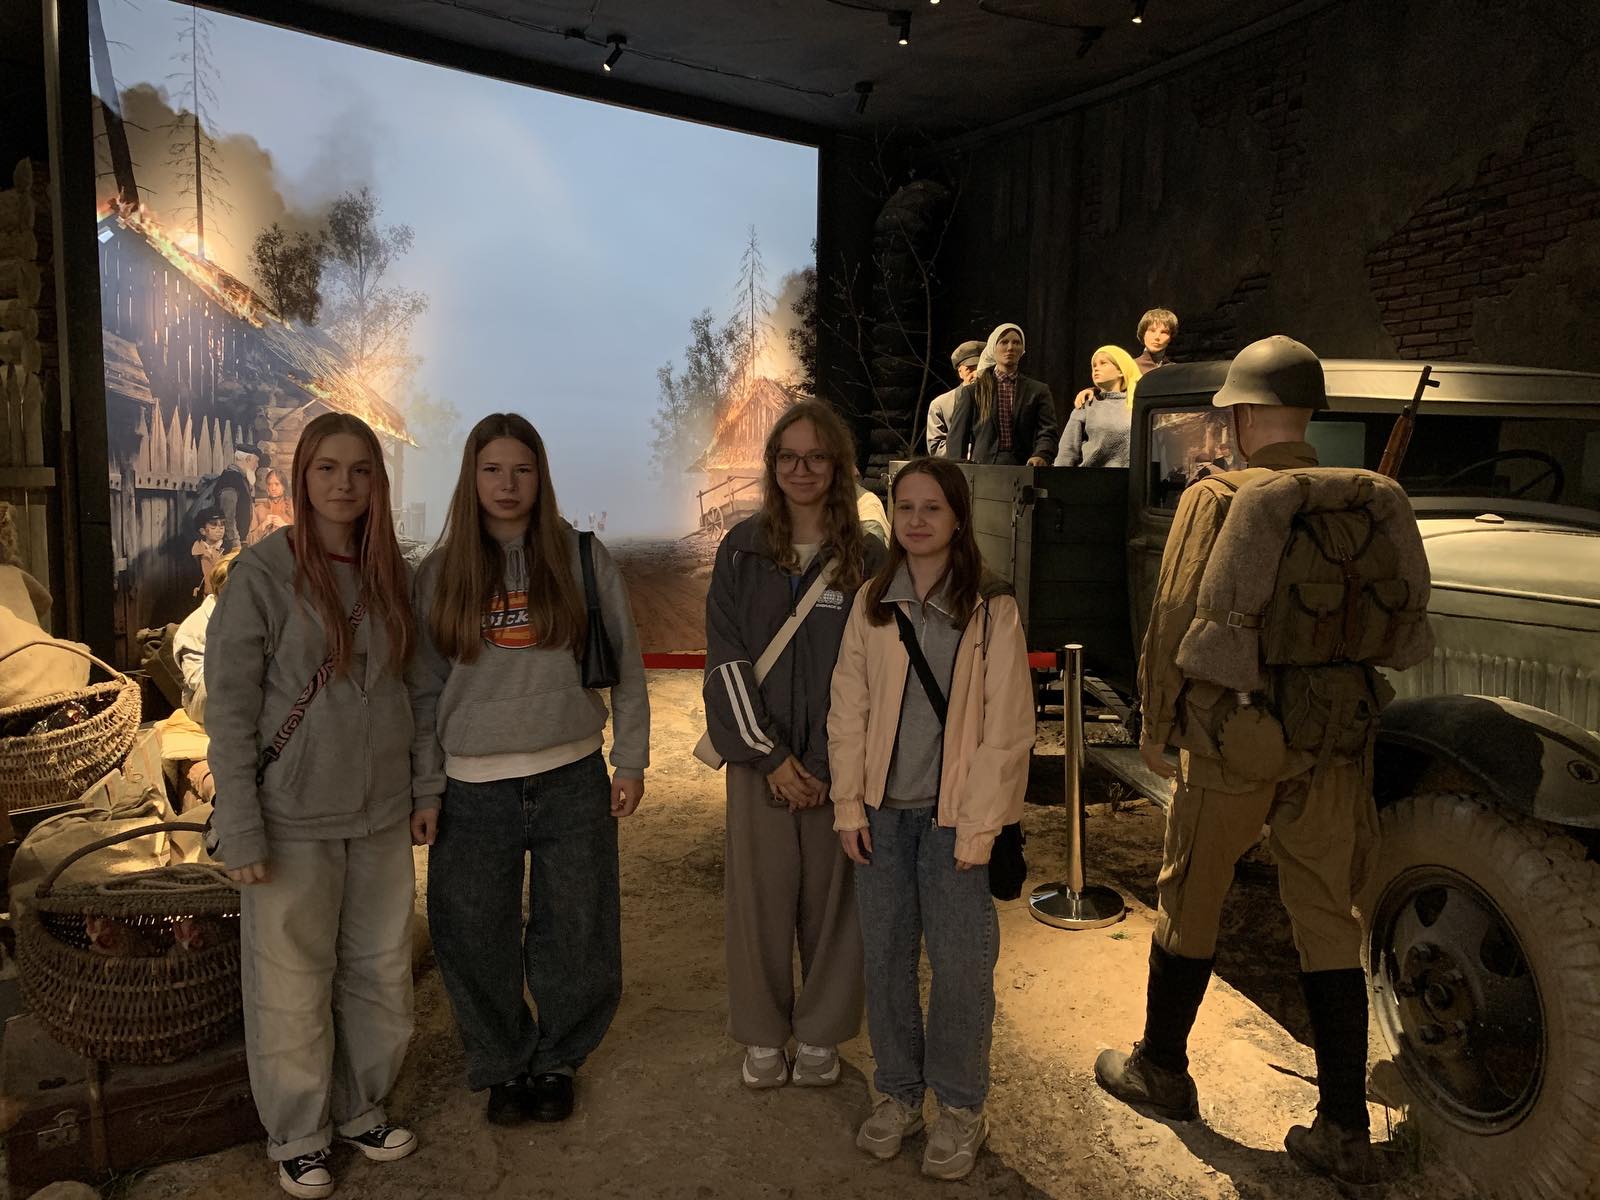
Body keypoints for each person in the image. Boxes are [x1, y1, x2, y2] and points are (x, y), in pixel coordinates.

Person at [1094, 336, 1398, 1189]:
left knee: (1191, 893)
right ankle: (1344, 1128)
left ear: (1238, 415)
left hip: (1233, 737)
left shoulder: (1216, 497)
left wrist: (1157, 723)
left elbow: (1174, 618)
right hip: (1330, 740)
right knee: (1326, 915)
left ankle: (1162, 1067)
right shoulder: (1358, 499)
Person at [410, 414, 648, 1128]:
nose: (507, 484)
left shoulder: (581, 558)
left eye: (522, 470)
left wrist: (630, 759)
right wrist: (427, 787)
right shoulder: (440, 572)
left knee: (576, 928)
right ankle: (502, 1060)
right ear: (472, 477)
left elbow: (627, 665)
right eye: (492, 470)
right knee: (472, 932)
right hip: (471, 787)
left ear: (540, 477)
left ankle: (558, 1059)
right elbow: (423, 691)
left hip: (571, 776)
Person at [205, 412, 420, 1199]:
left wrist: (424, 788)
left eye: (360, 470)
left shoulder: (393, 574)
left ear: (377, 482)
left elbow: (418, 690)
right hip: (292, 817)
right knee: (291, 983)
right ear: (302, 477)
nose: (344, 485)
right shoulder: (263, 575)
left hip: (381, 812)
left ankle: (362, 1106)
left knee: (381, 970)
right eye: (328, 468)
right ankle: (299, 1132)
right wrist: (240, 823)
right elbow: (229, 709)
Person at [828, 457, 1033, 1181]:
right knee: (885, 962)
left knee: (961, 969)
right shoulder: (872, 601)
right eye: (905, 507)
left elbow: (1008, 727)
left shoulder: (990, 606)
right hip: (881, 817)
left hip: (954, 822)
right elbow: (848, 708)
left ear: (957, 517)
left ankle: (961, 1106)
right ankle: (898, 1093)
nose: (916, 521)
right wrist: (848, 805)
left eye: (932, 508)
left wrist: (979, 828)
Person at [703, 398, 880, 1091]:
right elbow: (726, 659)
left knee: (838, 905)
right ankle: (761, 1031)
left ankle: (822, 1032)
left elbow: (876, 670)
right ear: (772, 465)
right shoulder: (741, 549)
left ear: (837, 465)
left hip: (842, 768)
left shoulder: (868, 557)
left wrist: (835, 765)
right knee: (759, 901)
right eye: (787, 457)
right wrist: (771, 757)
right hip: (759, 764)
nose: (800, 470)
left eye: (815, 457)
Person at [942, 324, 1057, 466]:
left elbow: (1048, 431)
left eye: (1016, 343)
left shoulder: (1037, 390)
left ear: (1022, 349)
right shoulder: (974, 392)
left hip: (1025, 468)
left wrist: (1041, 455)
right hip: (983, 470)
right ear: (993, 348)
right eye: (1004, 342)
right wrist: (958, 470)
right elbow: (957, 439)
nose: (1010, 347)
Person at [1055, 345, 1143, 468]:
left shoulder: (1137, 404)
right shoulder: (1087, 405)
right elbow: (1067, 451)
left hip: (1130, 476)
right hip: (1093, 476)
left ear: (1120, 371)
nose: (1096, 368)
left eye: (1103, 363)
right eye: (1094, 366)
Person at [925, 340, 984, 457]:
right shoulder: (941, 405)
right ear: (960, 372)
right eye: (970, 369)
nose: (976, 374)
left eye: (980, 368)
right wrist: (969, 451)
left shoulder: (1000, 400)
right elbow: (936, 448)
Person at [250, 467, 294, 547]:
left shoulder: (293, 507)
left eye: (277, 484)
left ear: (284, 487)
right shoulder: (258, 509)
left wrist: (285, 526)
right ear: (267, 488)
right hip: (265, 552)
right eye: (270, 484)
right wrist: (263, 525)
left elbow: (303, 535)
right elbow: (250, 541)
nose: (273, 488)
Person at [191, 508, 226, 597]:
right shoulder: (194, 552)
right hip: (203, 600)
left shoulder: (229, 550)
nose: (219, 529)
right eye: (214, 526)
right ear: (202, 531)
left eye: (222, 524)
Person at [1134, 307, 1179, 374]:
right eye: (1152, 331)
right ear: (1143, 334)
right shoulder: (1130, 367)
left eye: (1164, 332)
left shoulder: (1176, 370)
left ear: (1170, 337)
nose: (1157, 337)